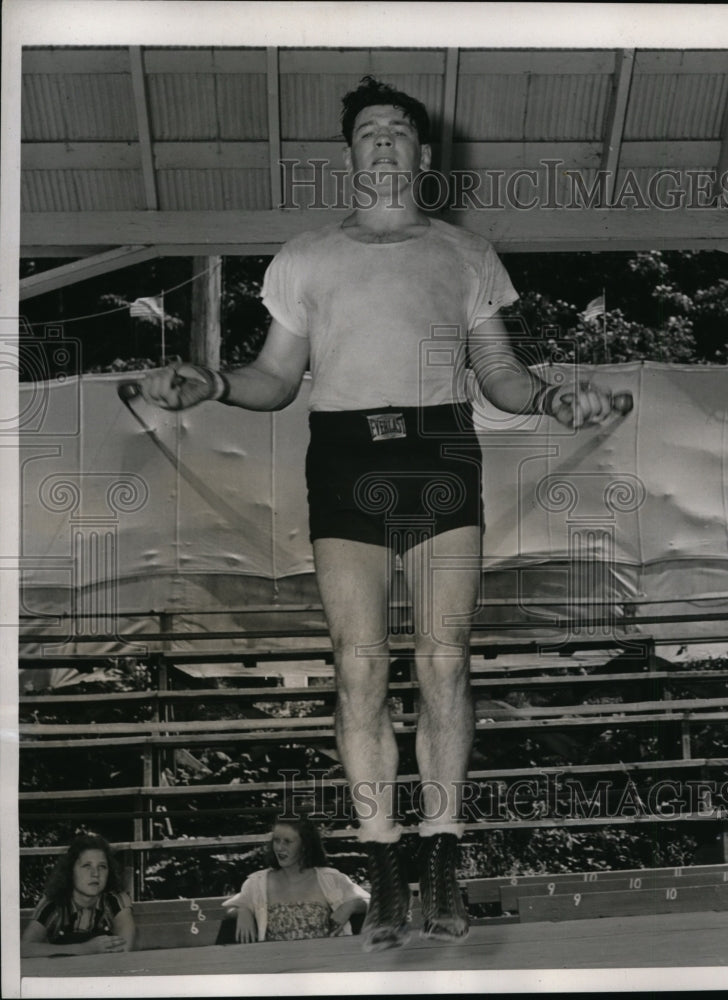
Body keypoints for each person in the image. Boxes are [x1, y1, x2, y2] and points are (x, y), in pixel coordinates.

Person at [139, 77, 626, 951]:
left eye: (400, 131)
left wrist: (554, 399)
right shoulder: (305, 257)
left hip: (440, 455)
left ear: (423, 155)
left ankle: (442, 854)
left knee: (445, 663)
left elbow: (501, 375)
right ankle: (387, 863)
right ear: (350, 157)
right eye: (369, 132)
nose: (386, 143)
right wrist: (211, 381)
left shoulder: (467, 254)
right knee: (359, 671)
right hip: (346, 457)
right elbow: (276, 379)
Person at [220, 815, 369, 942]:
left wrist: (350, 906)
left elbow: (369, 902)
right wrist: (243, 910)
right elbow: (230, 909)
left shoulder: (330, 878)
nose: (279, 848)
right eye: (276, 841)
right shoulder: (258, 882)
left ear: (305, 845)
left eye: (287, 842)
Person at [21, 833, 135, 957]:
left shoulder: (116, 901)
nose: (95, 874)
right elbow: (24, 948)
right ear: (70, 871)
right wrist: (84, 949)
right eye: (87, 866)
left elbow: (124, 948)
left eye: (102, 867)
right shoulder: (54, 903)